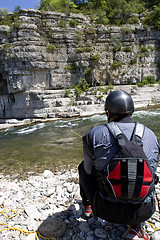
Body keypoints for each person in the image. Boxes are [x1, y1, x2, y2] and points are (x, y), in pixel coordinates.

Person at [78, 90, 159, 240]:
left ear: (108, 113)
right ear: (131, 112)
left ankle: (87, 207)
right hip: (143, 211)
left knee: (82, 167)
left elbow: (88, 170)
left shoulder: (93, 134)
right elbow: (152, 173)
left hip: (105, 210)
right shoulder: (151, 135)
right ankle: (136, 226)